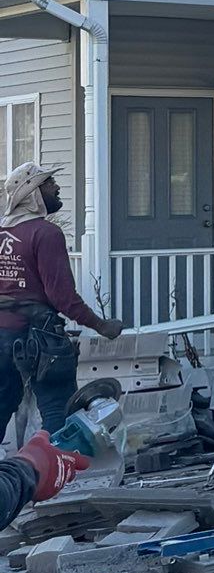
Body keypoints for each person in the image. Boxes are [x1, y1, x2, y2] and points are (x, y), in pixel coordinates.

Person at [0, 164, 123, 437]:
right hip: (40, 339)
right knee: (58, 410)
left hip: (2, 337)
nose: (56, 187)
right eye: (49, 183)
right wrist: (102, 326)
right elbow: (62, 297)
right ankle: (59, 472)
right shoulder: (45, 233)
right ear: (32, 193)